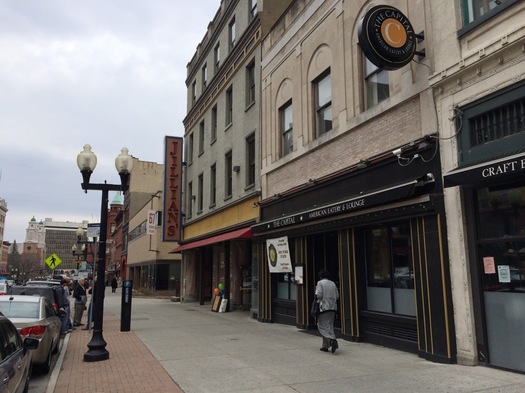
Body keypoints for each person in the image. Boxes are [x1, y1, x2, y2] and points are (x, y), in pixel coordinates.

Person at [315, 269, 339, 353]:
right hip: (332, 307)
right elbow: (337, 295)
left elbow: (319, 295)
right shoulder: (333, 283)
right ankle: (325, 346)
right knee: (329, 325)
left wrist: (316, 294)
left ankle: (332, 339)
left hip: (324, 307)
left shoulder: (320, 283)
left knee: (321, 325)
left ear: (321, 276)